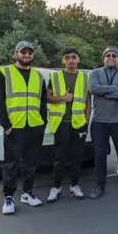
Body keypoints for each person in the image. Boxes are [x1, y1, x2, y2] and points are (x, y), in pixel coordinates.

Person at [0, 41, 47, 215]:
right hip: (14, 126)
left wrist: (42, 124)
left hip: (34, 125)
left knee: (31, 163)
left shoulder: (38, 77)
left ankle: (27, 192)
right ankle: (8, 197)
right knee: (11, 164)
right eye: (23, 52)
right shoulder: (4, 72)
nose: (26, 55)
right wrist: (6, 125)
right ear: (16, 53)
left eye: (29, 53)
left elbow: (42, 103)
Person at [88, 46, 118, 199]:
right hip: (99, 121)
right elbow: (92, 88)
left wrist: (105, 93)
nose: (111, 58)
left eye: (114, 55)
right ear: (103, 58)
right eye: (108, 55)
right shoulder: (95, 73)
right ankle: (99, 186)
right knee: (100, 155)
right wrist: (115, 88)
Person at [45, 48, 91, 203]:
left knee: (77, 157)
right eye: (67, 58)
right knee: (60, 157)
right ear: (62, 60)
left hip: (79, 123)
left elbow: (88, 101)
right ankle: (56, 188)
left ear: (78, 59)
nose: (71, 60)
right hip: (61, 123)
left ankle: (75, 185)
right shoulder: (55, 76)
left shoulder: (85, 77)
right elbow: (48, 97)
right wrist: (63, 98)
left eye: (73, 57)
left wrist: (86, 120)